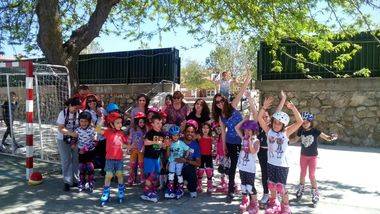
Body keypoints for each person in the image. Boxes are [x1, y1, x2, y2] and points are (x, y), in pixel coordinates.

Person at [257, 97, 303, 214]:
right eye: (275, 123)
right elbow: (259, 118)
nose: (277, 125)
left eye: (279, 124)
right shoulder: (269, 131)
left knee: (281, 187)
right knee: (271, 185)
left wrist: (293, 108)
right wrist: (264, 107)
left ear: (283, 125)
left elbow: (300, 122)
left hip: (283, 165)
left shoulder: (286, 132)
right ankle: (273, 204)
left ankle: (285, 206)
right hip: (271, 163)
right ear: (272, 123)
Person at [212, 71, 251, 203]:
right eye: (216, 102)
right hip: (230, 141)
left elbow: (241, 91)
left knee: (245, 165)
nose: (219, 103)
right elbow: (223, 132)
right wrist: (223, 147)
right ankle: (230, 191)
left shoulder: (233, 105)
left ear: (224, 100)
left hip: (243, 139)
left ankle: (247, 190)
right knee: (233, 166)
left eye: (221, 101)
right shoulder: (220, 116)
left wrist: (248, 78)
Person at [292, 112, 338, 206]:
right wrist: (285, 140)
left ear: (311, 122)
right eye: (303, 122)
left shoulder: (315, 131)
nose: (304, 124)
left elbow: (327, 138)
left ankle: (315, 192)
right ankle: (301, 189)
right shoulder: (301, 131)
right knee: (302, 173)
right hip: (303, 156)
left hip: (313, 157)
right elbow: (295, 140)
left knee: (311, 175)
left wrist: (332, 137)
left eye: (306, 122)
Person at [255, 91, 286, 208]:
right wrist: (261, 106)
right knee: (264, 173)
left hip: (272, 153)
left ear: (270, 118)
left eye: (266, 116)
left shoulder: (272, 128)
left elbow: (278, 113)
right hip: (262, 152)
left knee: (274, 175)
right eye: (263, 116)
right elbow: (257, 114)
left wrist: (283, 99)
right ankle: (266, 193)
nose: (265, 118)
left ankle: (275, 195)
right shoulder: (259, 126)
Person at [97, 112, 128, 206]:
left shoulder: (122, 133)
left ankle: (121, 191)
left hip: (119, 158)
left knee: (119, 174)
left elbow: (125, 144)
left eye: (121, 122)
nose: (120, 124)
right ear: (111, 124)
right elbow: (97, 129)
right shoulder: (108, 132)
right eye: (117, 123)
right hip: (109, 159)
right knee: (109, 175)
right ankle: (106, 192)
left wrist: (127, 149)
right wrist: (102, 120)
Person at [64, 111, 97, 193]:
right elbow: (74, 138)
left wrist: (87, 149)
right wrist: (73, 144)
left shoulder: (92, 130)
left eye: (86, 121)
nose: (83, 123)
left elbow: (95, 142)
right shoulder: (77, 130)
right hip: (80, 152)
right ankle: (81, 183)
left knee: (90, 167)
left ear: (89, 122)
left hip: (89, 152)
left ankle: (90, 182)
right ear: (79, 121)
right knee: (81, 168)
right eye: (81, 121)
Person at [235, 120, 260, 213]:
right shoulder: (243, 138)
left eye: (249, 130)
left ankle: (254, 204)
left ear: (253, 130)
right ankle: (245, 201)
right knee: (243, 186)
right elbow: (236, 128)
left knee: (250, 186)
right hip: (242, 166)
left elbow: (253, 152)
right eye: (245, 130)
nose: (247, 132)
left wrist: (249, 141)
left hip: (250, 168)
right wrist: (244, 120)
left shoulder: (256, 141)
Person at [56, 97, 81, 191]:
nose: (76, 109)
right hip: (63, 139)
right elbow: (60, 128)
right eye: (75, 107)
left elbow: (86, 123)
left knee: (76, 159)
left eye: (78, 108)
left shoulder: (80, 112)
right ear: (70, 105)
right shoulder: (62, 113)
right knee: (66, 160)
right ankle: (67, 182)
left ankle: (76, 180)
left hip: (76, 139)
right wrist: (71, 133)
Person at [140, 114, 164, 203]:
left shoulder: (162, 133)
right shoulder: (150, 133)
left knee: (156, 175)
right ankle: (147, 191)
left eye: (160, 123)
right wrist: (156, 142)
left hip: (157, 158)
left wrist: (164, 145)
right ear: (152, 124)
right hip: (149, 157)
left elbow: (162, 146)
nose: (159, 125)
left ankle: (152, 189)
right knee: (151, 174)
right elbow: (145, 142)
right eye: (157, 123)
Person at [164, 125, 191, 199]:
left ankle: (180, 188)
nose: (175, 136)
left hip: (179, 161)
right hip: (172, 161)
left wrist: (184, 158)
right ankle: (171, 189)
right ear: (171, 136)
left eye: (177, 135)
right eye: (173, 135)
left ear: (179, 135)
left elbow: (188, 150)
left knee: (179, 174)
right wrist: (168, 147)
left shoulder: (181, 143)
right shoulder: (170, 143)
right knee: (171, 174)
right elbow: (168, 155)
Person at [176, 122, 201, 198]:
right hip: (177, 166)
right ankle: (178, 187)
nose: (190, 134)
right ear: (184, 132)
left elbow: (198, 163)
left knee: (191, 170)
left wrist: (186, 161)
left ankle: (192, 189)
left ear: (194, 134)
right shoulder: (178, 141)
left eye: (192, 132)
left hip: (188, 167)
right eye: (188, 131)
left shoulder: (195, 145)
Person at [84, 94, 107, 176]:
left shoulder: (102, 110)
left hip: (103, 137)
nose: (92, 102)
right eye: (89, 101)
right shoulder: (86, 112)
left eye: (93, 100)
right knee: (91, 155)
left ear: (96, 101)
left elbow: (106, 122)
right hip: (92, 137)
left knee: (103, 154)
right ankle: (90, 172)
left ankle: (104, 170)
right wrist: (99, 128)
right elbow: (91, 125)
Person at [127, 112, 147, 186]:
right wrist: (129, 147)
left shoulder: (145, 130)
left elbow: (145, 141)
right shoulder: (132, 130)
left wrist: (143, 148)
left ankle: (142, 179)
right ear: (137, 122)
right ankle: (130, 179)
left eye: (143, 122)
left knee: (141, 165)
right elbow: (129, 139)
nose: (142, 124)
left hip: (141, 150)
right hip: (133, 150)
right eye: (140, 122)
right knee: (132, 165)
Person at [196, 122, 214, 194]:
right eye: (204, 128)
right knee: (200, 171)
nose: (205, 130)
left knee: (209, 171)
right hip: (201, 156)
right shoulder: (199, 136)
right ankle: (199, 185)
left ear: (209, 129)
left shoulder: (211, 138)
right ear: (201, 129)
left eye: (207, 128)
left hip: (209, 156)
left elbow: (215, 145)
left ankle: (209, 186)